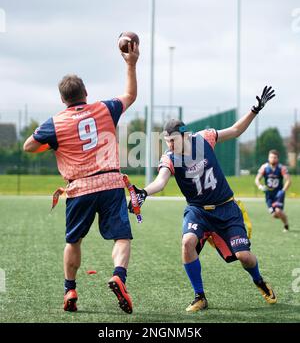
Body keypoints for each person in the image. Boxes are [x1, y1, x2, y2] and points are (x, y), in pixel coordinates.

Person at [129, 86, 277, 312]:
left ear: (185, 136)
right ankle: (200, 296)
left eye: (173, 140)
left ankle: (259, 280)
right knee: (187, 242)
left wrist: (255, 110)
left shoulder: (204, 139)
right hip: (198, 210)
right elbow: (161, 181)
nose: (169, 145)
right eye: (166, 141)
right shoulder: (169, 158)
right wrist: (144, 193)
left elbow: (236, 130)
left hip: (226, 209)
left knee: (244, 256)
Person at [23, 41, 139, 314]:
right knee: (121, 237)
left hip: (79, 188)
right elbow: (130, 95)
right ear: (86, 93)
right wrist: (131, 63)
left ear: (63, 99)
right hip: (110, 183)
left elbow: (28, 145)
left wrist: (52, 144)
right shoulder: (105, 108)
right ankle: (118, 276)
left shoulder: (56, 122)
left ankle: (70, 289)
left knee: (73, 241)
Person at [255, 150, 291, 232]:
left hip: (278, 194)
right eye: (271, 157)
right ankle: (283, 216)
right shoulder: (264, 167)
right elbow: (257, 179)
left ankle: (286, 225)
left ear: (277, 158)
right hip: (268, 195)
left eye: (274, 157)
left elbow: (288, 180)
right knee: (274, 215)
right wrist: (260, 186)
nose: (272, 159)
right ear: (268, 158)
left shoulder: (281, 168)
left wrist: (283, 191)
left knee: (278, 211)